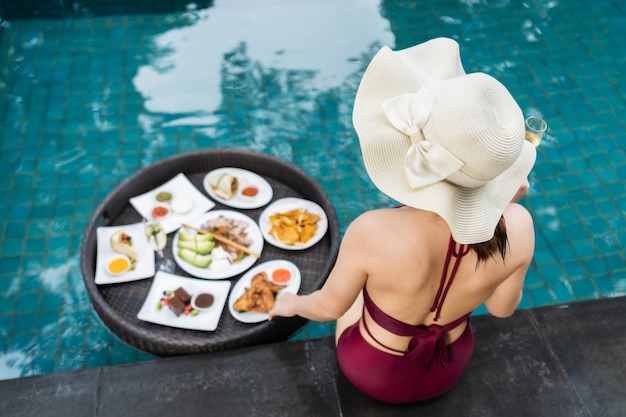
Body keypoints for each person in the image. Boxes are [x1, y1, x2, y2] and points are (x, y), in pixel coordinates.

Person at [268, 37, 536, 404]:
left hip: (372, 370)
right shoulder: (519, 227)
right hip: (450, 366)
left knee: (358, 292)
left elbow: (329, 308)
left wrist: (290, 303)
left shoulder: (374, 231)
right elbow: (502, 309)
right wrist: (494, 210)